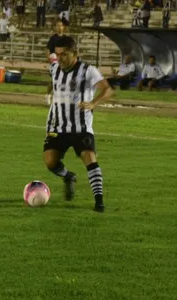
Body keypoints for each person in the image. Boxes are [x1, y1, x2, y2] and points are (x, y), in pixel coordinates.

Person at [44, 36, 113, 212]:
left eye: (64, 54)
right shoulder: (54, 68)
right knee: (50, 163)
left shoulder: (88, 70)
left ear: (75, 53)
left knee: (89, 159)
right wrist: (48, 93)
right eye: (57, 54)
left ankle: (99, 201)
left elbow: (107, 89)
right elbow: (53, 81)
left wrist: (93, 104)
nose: (59, 58)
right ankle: (68, 176)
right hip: (56, 126)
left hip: (80, 127)